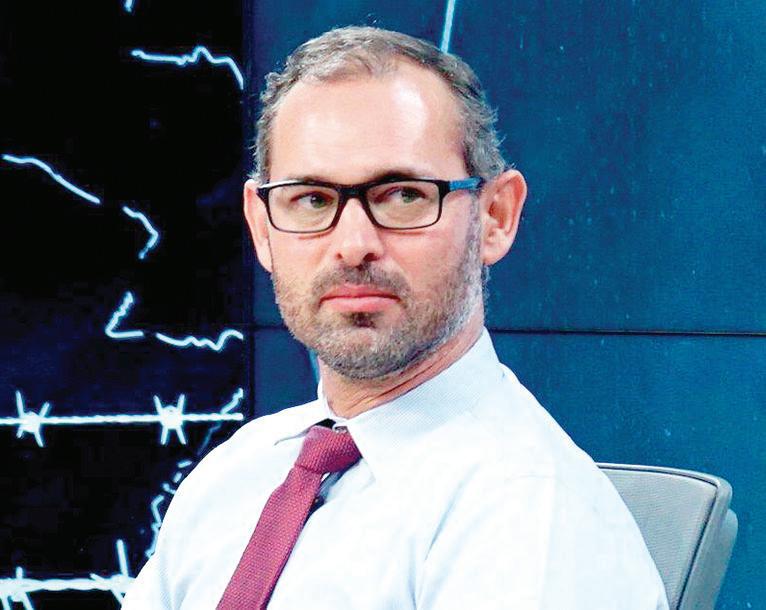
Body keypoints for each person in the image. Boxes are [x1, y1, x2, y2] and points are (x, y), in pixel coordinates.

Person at [123, 26, 669, 609]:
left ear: (495, 217)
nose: (352, 245)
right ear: (262, 228)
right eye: (312, 199)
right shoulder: (234, 476)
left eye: (404, 195)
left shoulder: (533, 520)